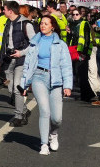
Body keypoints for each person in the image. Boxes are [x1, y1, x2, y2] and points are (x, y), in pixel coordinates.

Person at [18, 14, 73, 155]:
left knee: (57, 118)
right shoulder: (35, 43)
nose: (42, 25)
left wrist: (67, 85)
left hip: (56, 81)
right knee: (44, 111)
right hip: (38, 77)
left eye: (46, 23)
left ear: (52, 27)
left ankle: (53, 134)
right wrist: (24, 85)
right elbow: (28, 65)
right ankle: (43, 144)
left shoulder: (60, 45)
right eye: (41, 23)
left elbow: (66, 66)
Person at [1, 0, 35, 125]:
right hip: (9, 59)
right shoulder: (8, 23)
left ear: (10, 11)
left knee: (17, 88)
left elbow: (34, 44)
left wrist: (22, 53)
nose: (3, 11)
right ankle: (24, 110)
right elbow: (4, 42)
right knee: (10, 88)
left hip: (22, 59)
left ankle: (19, 116)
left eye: (4, 9)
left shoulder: (26, 24)